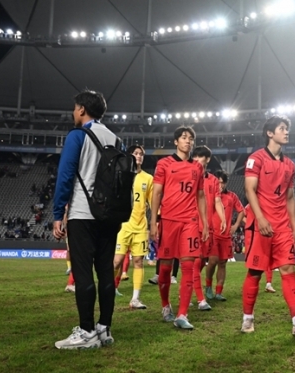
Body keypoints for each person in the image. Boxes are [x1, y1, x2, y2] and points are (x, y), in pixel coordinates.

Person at [241, 115, 295, 337]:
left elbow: (290, 198)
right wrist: (260, 218)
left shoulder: (290, 165)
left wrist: (294, 227)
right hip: (260, 224)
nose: (287, 132)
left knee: (288, 270)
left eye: (287, 129)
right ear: (270, 133)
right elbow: (250, 190)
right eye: (282, 128)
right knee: (256, 272)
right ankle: (247, 319)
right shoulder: (256, 159)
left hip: (282, 227)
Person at [53, 89, 122, 349]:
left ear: (82, 109)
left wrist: (58, 213)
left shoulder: (77, 135)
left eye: (75, 108)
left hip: (82, 213)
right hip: (108, 215)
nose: (73, 112)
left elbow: (66, 175)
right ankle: (104, 329)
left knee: (82, 275)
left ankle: (86, 332)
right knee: (105, 271)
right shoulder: (116, 139)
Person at [150, 126, 208, 330]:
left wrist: (205, 222)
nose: (188, 141)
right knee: (165, 269)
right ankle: (166, 305)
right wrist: (153, 222)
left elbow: (201, 195)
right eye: (184, 138)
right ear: (176, 141)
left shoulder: (198, 167)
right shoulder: (164, 164)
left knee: (188, 266)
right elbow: (156, 193)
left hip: (190, 221)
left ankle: (182, 313)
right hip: (168, 220)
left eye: (191, 138)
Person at [112, 145, 153, 309]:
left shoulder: (148, 178)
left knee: (138, 261)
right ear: (129, 156)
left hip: (140, 226)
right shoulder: (120, 175)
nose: (139, 156)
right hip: (122, 226)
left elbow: (152, 202)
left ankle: (135, 298)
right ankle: (110, 289)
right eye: (135, 153)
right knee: (116, 262)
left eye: (141, 154)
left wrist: (155, 221)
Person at [192, 146, 226, 309]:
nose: (199, 159)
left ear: (208, 159)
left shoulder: (212, 180)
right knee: (196, 261)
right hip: (192, 225)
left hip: (208, 227)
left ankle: (187, 289)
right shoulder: (189, 176)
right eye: (196, 156)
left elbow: (217, 201)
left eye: (202, 157)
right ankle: (201, 299)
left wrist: (223, 218)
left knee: (202, 262)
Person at [205, 170, 243, 301]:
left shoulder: (232, 196)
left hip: (226, 236)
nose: (220, 185)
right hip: (213, 233)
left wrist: (235, 225)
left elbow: (241, 211)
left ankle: (218, 292)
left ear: (226, 183)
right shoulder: (210, 196)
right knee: (213, 261)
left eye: (222, 183)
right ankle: (208, 286)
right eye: (218, 183)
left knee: (222, 263)